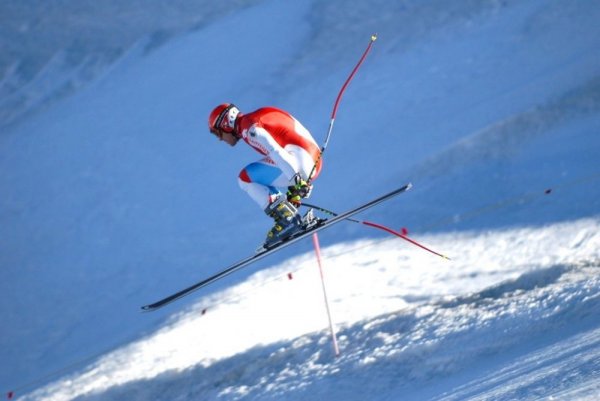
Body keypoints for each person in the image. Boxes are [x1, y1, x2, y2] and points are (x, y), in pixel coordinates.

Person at [208, 103, 322, 247]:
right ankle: (288, 215)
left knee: (245, 178)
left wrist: (296, 179)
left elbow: (276, 151)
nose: (219, 139)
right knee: (256, 173)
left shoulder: (249, 129)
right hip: (312, 160)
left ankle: (288, 219)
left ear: (225, 124)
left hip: (300, 161)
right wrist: (296, 187)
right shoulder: (253, 119)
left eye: (217, 133)